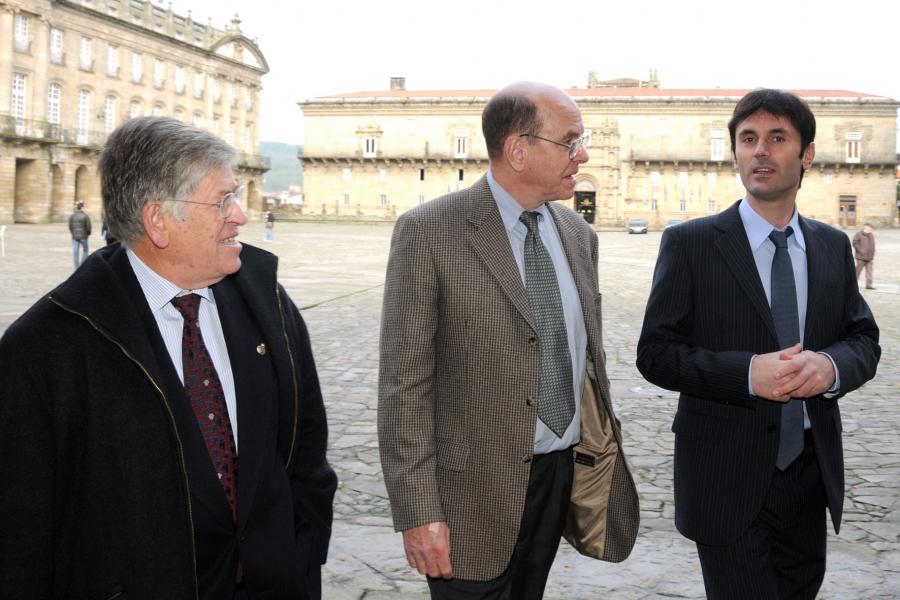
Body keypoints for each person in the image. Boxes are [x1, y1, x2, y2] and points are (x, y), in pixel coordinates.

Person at [0, 116, 337, 600]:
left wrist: (303, 550)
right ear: (158, 220)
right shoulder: (49, 344)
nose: (240, 215)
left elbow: (305, 446)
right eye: (222, 200)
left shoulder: (268, 303)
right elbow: (20, 529)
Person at [378, 82, 639, 599]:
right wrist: (418, 510)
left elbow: (585, 363)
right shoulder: (429, 232)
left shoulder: (577, 235)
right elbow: (403, 386)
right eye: (570, 141)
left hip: (555, 478)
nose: (583, 154)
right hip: (469, 495)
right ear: (519, 150)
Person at [636, 89, 880, 599]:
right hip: (727, 477)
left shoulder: (832, 246)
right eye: (748, 139)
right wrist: (747, 374)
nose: (760, 151)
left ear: (806, 154)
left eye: (777, 138)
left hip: (810, 476)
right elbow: (656, 353)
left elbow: (863, 339)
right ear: (735, 153)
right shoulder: (692, 243)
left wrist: (831, 366)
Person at [68, 200, 91, 268]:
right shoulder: (85, 216)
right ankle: (82, 265)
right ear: (82, 207)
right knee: (85, 250)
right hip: (84, 236)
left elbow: (70, 226)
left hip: (75, 237)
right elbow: (88, 227)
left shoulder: (72, 216)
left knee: (75, 252)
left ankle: (76, 267)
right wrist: (87, 234)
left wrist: (73, 233)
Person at [852, 223, 875, 289]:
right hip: (860, 257)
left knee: (869, 272)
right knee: (857, 272)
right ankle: (853, 284)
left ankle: (869, 285)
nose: (872, 230)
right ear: (866, 228)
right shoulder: (858, 234)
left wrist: (872, 254)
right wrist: (861, 251)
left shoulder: (871, 235)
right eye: (871, 229)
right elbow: (854, 243)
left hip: (869, 258)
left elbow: (872, 245)